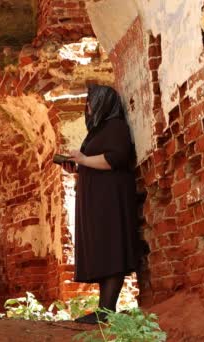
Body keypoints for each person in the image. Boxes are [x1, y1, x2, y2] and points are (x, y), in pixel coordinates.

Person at [62, 85, 142, 324]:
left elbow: (116, 158)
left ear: (103, 104)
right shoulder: (97, 131)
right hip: (97, 200)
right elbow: (93, 161)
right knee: (101, 249)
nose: (87, 108)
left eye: (90, 103)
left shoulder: (115, 127)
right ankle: (102, 309)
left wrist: (84, 159)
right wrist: (77, 166)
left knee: (111, 249)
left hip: (110, 199)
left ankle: (107, 310)